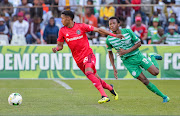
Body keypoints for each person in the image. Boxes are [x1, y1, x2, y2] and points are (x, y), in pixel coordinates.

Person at [52, 10, 125, 104]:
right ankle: (111, 88)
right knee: (96, 79)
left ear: (68, 18)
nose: (61, 20)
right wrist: (56, 49)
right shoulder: (62, 31)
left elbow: (98, 30)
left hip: (88, 55)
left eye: (62, 18)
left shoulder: (81, 26)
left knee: (89, 73)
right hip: (78, 60)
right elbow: (60, 46)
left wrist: (114, 35)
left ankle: (104, 96)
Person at [106, 16, 170, 103]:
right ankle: (164, 97)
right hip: (129, 63)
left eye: (113, 23)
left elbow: (139, 43)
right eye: (110, 24)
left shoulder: (127, 31)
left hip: (138, 56)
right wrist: (113, 67)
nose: (112, 25)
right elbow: (110, 53)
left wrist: (126, 51)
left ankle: (152, 57)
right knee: (144, 81)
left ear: (119, 24)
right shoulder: (109, 39)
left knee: (156, 72)